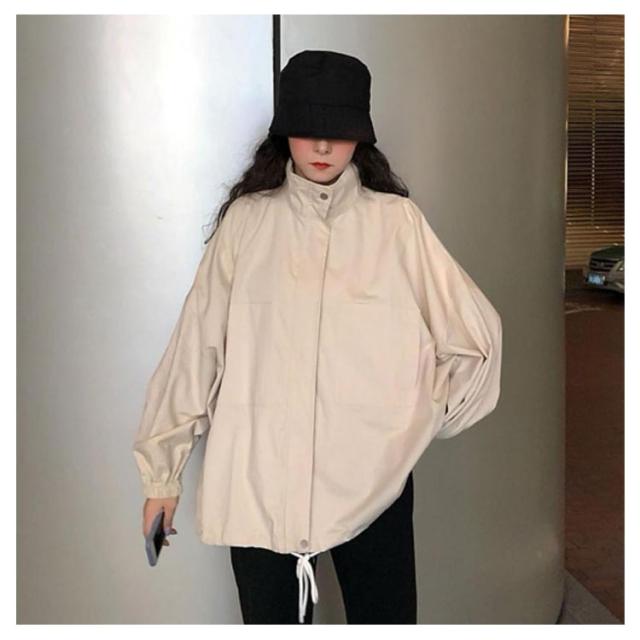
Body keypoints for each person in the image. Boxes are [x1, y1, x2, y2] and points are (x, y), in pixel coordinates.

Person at [133, 49, 502, 624]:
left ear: (362, 136)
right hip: (258, 478)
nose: (324, 146)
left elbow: (475, 339)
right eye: (309, 129)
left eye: (340, 130)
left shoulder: (395, 223)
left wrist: (410, 422)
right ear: (285, 132)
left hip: (372, 483)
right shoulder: (247, 223)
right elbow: (196, 349)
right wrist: (162, 473)